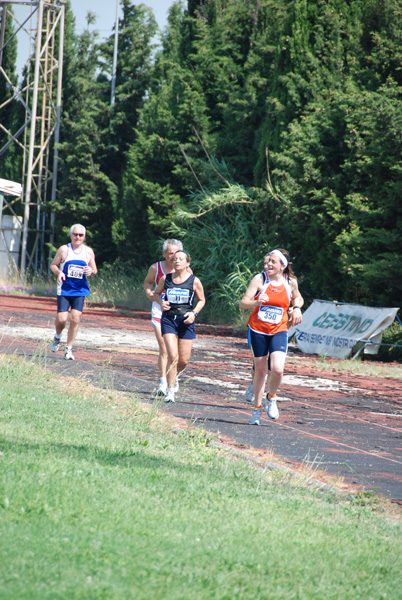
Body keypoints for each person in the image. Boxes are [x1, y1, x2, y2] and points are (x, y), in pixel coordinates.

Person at [239, 249, 303, 425]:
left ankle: (271, 397)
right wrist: (256, 302)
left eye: (273, 262)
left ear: (283, 265)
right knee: (260, 371)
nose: (268, 265)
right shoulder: (260, 280)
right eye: (267, 262)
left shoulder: (290, 282)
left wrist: (296, 308)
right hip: (258, 330)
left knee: (277, 369)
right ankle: (257, 409)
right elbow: (243, 303)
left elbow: (298, 298)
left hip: (279, 330)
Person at [153, 250, 205, 403]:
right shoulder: (166, 278)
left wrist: (194, 313)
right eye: (175, 259)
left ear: (187, 263)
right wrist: (160, 302)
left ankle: (174, 376)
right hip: (169, 320)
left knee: (183, 360)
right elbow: (156, 294)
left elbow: (202, 300)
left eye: (180, 259)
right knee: (173, 356)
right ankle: (170, 392)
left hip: (186, 321)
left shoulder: (194, 281)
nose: (177, 261)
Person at [143, 239, 192, 395]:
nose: (173, 257)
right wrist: (149, 293)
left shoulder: (188, 273)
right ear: (164, 254)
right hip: (160, 311)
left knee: (179, 356)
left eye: (177, 254)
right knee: (164, 348)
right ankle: (163, 383)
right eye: (171, 253)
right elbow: (148, 283)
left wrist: (191, 312)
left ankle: (173, 375)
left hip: (179, 315)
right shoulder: (155, 268)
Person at [49, 224, 97, 360]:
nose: (77, 237)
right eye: (75, 234)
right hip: (64, 289)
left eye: (80, 235)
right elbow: (53, 265)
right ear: (71, 235)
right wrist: (59, 272)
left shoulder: (88, 252)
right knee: (62, 319)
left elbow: (94, 269)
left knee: (75, 318)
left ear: (84, 237)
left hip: (80, 290)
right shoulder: (64, 250)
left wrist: (91, 271)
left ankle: (68, 349)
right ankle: (57, 337)